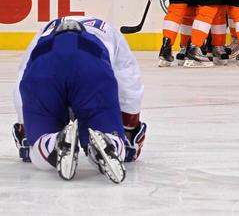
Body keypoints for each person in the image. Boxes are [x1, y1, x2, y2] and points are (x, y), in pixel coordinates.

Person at [13, 16, 146, 183]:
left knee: (39, 154)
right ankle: (109, 143)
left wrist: (25, 122)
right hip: (91, 65)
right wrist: (129, 123)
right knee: (110, 134)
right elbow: (129, 81)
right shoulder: (109, 30)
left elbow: (22, 77)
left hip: (44, 65)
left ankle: (52, 143)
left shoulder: (44, 30)